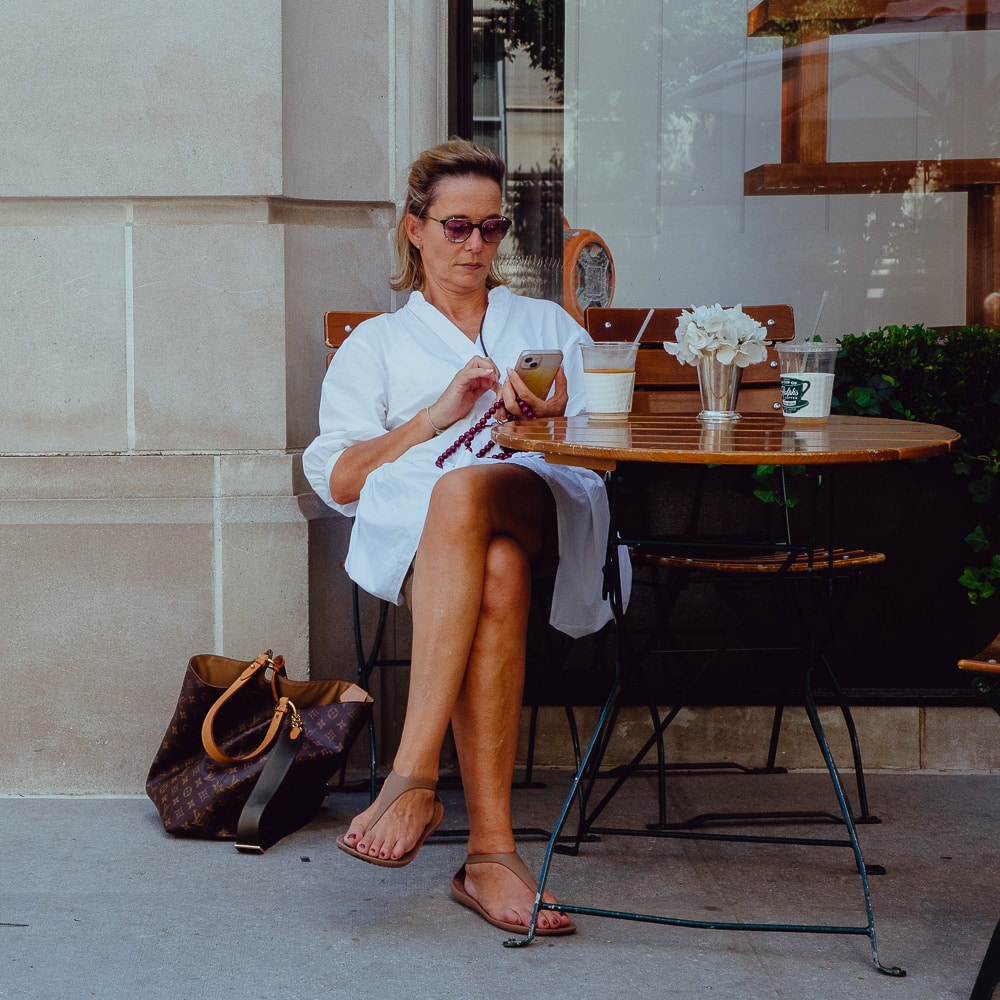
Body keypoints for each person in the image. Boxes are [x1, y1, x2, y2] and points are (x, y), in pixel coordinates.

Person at [303, 138, 628, 936]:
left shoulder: (544, 323)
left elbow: (610, 458)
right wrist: (434, 417)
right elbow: (340, 481)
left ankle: (411, 774)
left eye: (492, 228)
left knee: (471, 493)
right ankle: (491, 856)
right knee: (500, 569)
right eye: (456, 228)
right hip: (444, 550)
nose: (476, 245)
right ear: (414, 230)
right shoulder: (375, 345)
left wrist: (552, 423)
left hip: (542, 505)